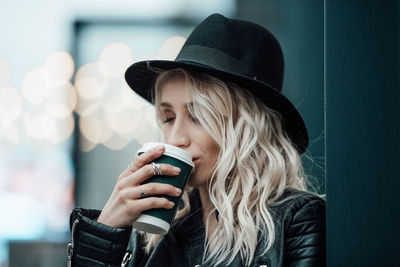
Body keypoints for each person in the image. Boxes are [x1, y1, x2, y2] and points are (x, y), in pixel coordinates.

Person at [68, 13, 325, 267]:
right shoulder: (156, 233)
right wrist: (105, 235)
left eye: (198, 116)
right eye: (168, 118)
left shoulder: (296, 220)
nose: (176, 138)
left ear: (248, 128)